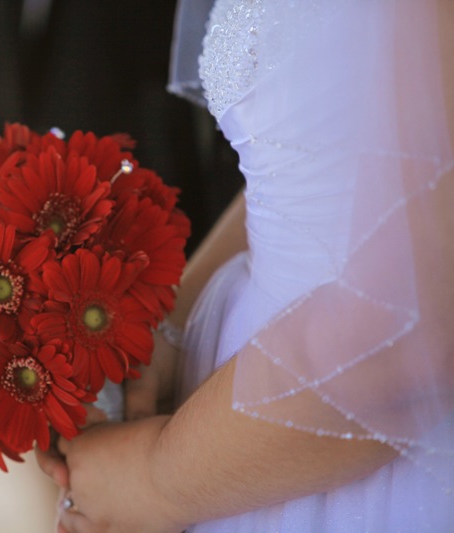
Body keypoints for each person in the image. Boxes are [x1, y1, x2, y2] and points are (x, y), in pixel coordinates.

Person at [36, 0, 454, 531]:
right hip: (241, 404)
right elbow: (304, 167)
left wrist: (157, 478)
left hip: (360, 430)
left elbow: (406, 330)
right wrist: (168, 329)